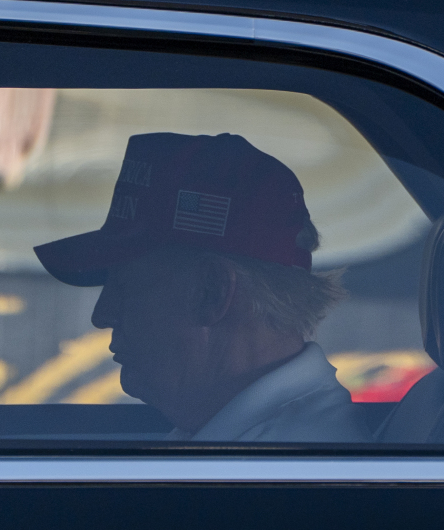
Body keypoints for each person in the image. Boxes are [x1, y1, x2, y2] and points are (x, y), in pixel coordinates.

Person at [33, 132, 370, 442]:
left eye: (124, 285)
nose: (101, 314)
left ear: (213, 292)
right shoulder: (246, 443)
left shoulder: (278, 475)